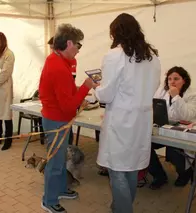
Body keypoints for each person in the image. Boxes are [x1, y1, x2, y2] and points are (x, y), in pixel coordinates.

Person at [94, 13, 161, 213]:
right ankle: (121, 207)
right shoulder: (152, 57)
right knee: (131, 168)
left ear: (116, 32)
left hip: (121, 120)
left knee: (117, 171)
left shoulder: (115, 56)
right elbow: (154, 86)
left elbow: (106, 95)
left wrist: (96, 88)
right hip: (141, 119)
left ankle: (122, 210)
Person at [39, 23, 93, 213]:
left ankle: (60, 189)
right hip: (57, 120)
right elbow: (68, 105)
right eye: (78, 45)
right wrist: (85, 87)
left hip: (57, 118)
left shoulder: (57, 61)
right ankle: (49, 200)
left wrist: (80, 92)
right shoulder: (58, 67)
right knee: (55, 161)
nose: (79, 50)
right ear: (69, 43)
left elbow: (67, 93)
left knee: (60, 158)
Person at [148, 66, 196, 189]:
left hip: (181, 133)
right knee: (144, 146)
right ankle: (159, 176)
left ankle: (185, 173)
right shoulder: (163, 91)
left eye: (176, 78)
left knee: (173, 151)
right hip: (163, 128)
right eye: (169, 79)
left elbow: (186, 115)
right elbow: (154, 106)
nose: (172, 82)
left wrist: (176, 97)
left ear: (184, 80)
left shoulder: (192, 95)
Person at [48, 36, 78, 146]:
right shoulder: (52, 60)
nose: (52, 51)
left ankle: (69, 144)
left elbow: (70, 81)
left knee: (66, 129)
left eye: (53, 48)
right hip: (56, 109)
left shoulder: (70, 60)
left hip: (64, 103)